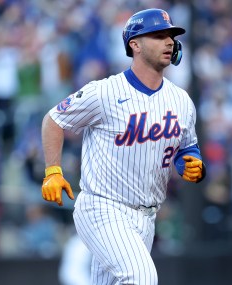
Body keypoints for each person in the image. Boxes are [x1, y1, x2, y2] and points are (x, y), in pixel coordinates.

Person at [41, 8, 206, 285]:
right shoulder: (105, 92)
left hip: (146, 217)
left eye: (170, 36)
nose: (168, 42)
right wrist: (53, 170)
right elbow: (54, 120)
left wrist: (191, 162)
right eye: (158, 35)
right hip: (103, 207)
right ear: (135, 44)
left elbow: (186, 147)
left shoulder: (181, 100)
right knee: (141, 278)